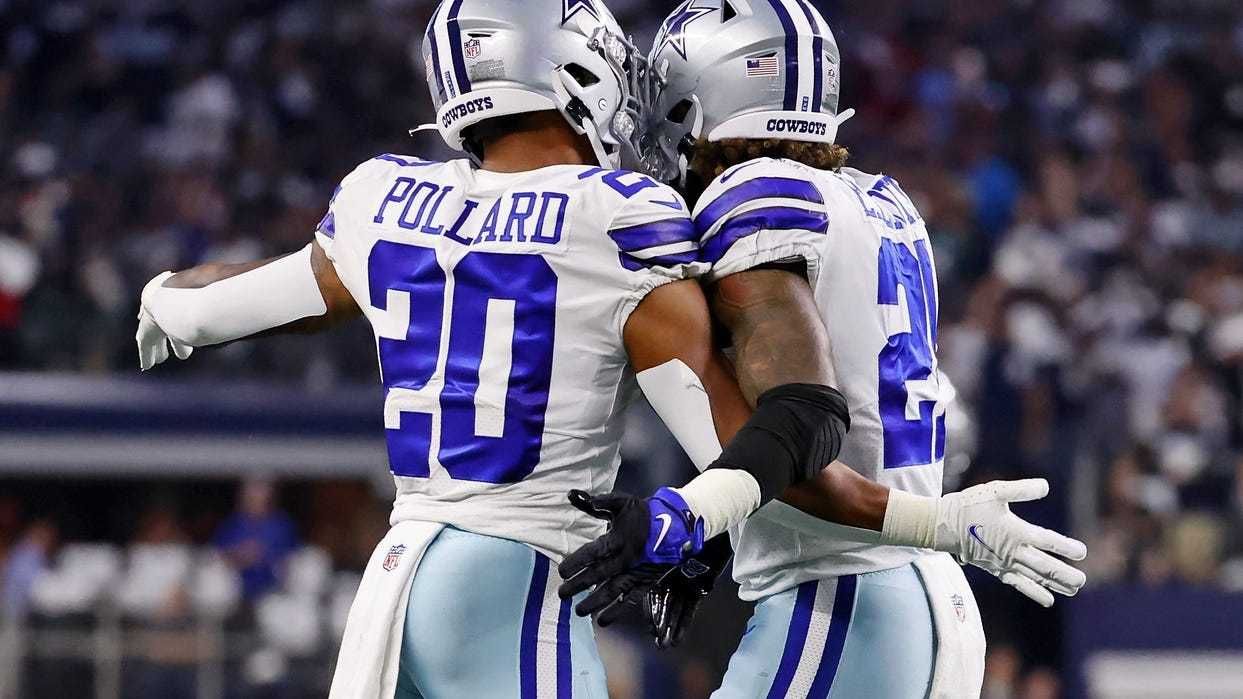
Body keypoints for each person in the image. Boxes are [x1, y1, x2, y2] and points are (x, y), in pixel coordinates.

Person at [134, 1, 854, 696]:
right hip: (515, 580)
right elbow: (736, 452)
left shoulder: (381, 197)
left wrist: (162, 298)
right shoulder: (621, 215)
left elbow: (220, 304)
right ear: (573, 68)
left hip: (398, 577)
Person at [558, 2, 1088, 697]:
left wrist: (688, 516)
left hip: (842, 603)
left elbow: (803, 420)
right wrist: (713, 541)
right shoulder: (880, 201)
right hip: (925, 597)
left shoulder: (755, 192)